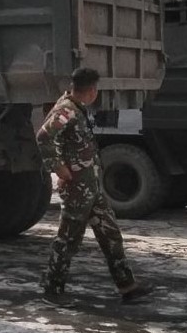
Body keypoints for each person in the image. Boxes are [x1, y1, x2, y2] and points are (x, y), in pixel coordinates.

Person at [38, 67, 152, 306]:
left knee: (111, 235)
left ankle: (127, 287)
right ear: (91, 91)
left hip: (91, 188)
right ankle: (52, 289)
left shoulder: (76, 108)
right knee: (68, 240)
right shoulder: (66, 110)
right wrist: (58, 168)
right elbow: (44, 137)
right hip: (77, 189)